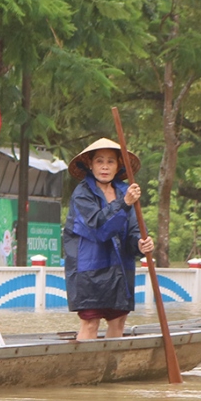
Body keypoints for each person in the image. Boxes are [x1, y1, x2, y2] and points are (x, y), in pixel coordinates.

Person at [63, 138, 155, 340]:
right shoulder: (82, 194)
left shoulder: (126, 192)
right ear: (90, 164)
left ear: (118, 165)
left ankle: (111, 369)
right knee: (90, 322)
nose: (105, 167)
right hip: (89, 269)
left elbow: (134, 229)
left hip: (120, 268)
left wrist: (141, 243)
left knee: (118, 320)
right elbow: (99, 228)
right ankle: (85, 368)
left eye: (110, 161)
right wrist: (124, 204)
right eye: (99, 161)